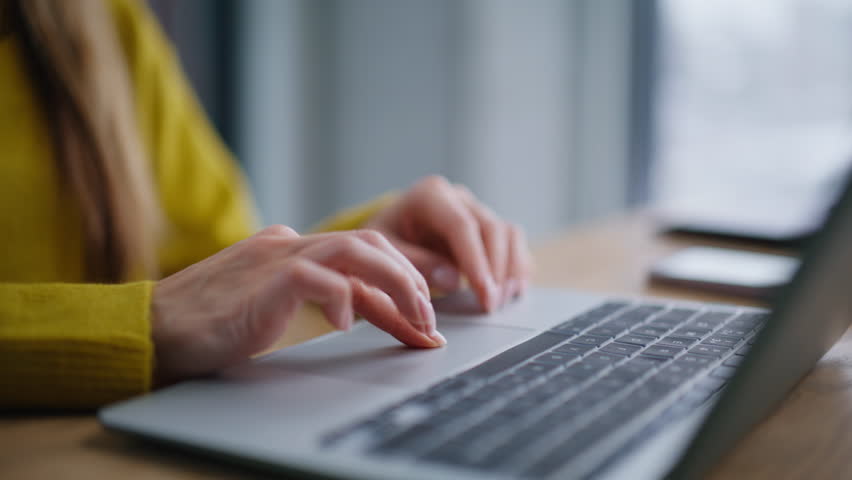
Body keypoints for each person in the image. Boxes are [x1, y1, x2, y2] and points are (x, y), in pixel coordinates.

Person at [0, 0, 532, 409]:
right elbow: (182, 307)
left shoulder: (101, 21)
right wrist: (143, 324)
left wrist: (358, 250)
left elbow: (218, 272)